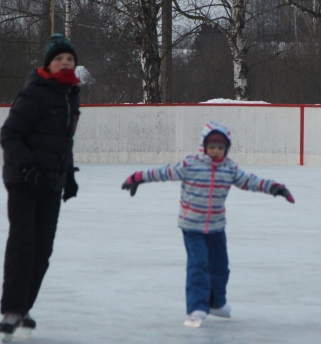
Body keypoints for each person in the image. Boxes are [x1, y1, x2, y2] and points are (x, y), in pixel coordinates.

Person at [121, 122, 295, 328]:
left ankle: (216, 303)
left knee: (221, 267)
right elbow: (163, 172)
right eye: (212, 147)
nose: (215, 151)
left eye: (220, 148)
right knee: (199, 265)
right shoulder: (190, 164)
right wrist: (137, 178)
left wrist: (274, 188)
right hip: (192, 226)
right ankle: (196, 308)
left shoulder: (229, 168)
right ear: (203, 146)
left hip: (216, 227)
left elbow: (250, 181)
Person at [0, 34, 82, 342]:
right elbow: (9, 135)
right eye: (59, 58)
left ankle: (25, 308)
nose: (65, 63)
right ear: (48, 64)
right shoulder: (34, 93)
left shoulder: (70, 95)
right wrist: (27, 167)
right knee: (23, 245)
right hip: (23, 182)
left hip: (50, 183)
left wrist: (68, 176)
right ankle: (11, 310)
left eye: (70, 59)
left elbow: (64, 142)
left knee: (43, 250)